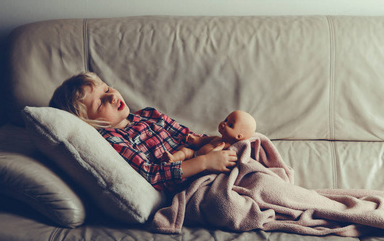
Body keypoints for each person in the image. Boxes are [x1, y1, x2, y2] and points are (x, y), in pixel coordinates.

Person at [49, 72, 238, 192]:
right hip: (191, 183)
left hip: (210, 160)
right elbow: (152, 175)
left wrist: (216, 144)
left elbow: (189, 136)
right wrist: (204, 162)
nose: (112, 96)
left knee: (250, 146)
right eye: (100, 103)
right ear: (89, 122)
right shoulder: (112, 141)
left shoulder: (149, 114)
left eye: (106, 88)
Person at [162, 110, 256, 162]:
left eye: (230, 125)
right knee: (185, 151)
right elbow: (203, 141)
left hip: (202, 165)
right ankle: (173, 158)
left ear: (239, 136)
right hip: (195, 154)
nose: (224, 124)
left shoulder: (229, 149)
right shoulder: (217, 138)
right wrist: (195, 139)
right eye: (226, 120)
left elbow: (218, 160)